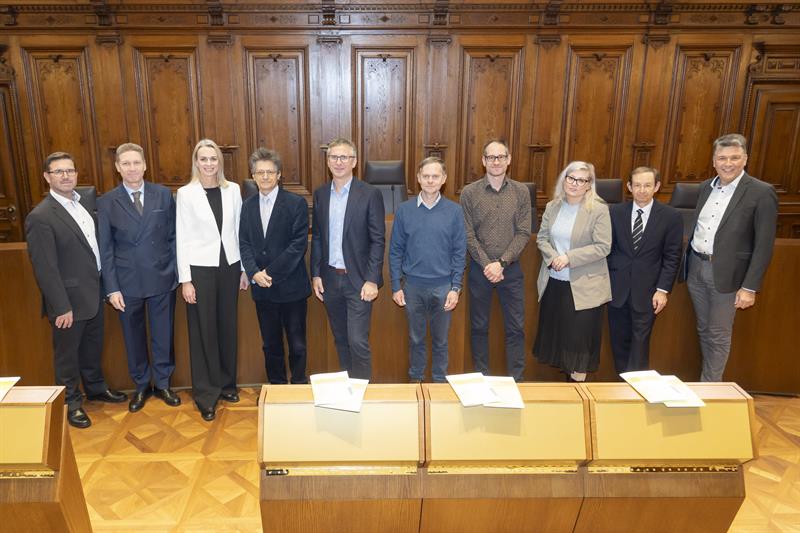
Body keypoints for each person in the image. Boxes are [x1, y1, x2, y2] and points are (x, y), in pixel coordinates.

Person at [25, 152, 127, 428]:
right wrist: (61, 306)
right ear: (47, 177)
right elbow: (45, 269)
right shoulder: (41, 216)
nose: (66, 175)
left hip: (93, 294)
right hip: (68, 301)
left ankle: (95, 388)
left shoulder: (82, 206)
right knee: (67, 356)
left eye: (70, 170)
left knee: (92, 348)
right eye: (58, 172)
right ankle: (71, 402)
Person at [685, 133, 778, 382]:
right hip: (696, 268)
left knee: (718, 334)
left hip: (728, 277)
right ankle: (708, 382)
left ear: (745, 159)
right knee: (704, 329)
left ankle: (710, 389)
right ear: (714, 161)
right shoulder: (705, 187)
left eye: (735, 157)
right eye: (722, 158)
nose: (728, 163)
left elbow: (764, 246)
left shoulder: (761, 192)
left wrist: (749, 287)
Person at [97, 143, 180, 412]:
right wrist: (111, 288)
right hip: (126, 282)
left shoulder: (163, 195)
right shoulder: (106, 202)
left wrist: (177, 273)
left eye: (136, 163)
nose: (132, 168)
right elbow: (105, 249)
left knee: (163, 333)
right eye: (126, 164)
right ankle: (142, 385)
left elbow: (174, 237)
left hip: (161, 276)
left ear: (145, 165)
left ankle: (164, 382)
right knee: (133, 337)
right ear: (118, 168)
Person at [176, 139, 249, 421]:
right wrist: (186, 280)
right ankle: (206, 393)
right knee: (203, 330)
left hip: (229, 267)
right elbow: (182, 238)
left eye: (213, 159)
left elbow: (239, 231)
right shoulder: (185, 194)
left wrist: (243, 268)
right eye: (203, 159)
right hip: (200, 271)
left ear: (220, 161)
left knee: (227, 327)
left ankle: (227, 383)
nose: (209, 164)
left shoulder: (233, 190)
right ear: (196, 162)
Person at [310, 137, 385, 380]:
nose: (339, 162)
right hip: (331, 279)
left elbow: (377, 240)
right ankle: (347, 393)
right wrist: (316, 274)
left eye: (344, 157)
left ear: (354, 161)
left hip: (358, 281)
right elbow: (319, 236)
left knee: (357, 341)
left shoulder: (370, 194)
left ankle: (363, 393)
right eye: (334, 157)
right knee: (341, 339)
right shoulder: (321, 194)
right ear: (327, 161)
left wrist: (372, 280)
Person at [389, 157, 466, 383]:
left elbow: (459, 252)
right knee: (415, 339)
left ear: (444, 179)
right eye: (426, 176)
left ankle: (440, 382)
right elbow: (395, 251)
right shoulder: (404, 210)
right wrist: (396, 285)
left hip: (443, 287)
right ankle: (416, 381)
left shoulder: (454, 211)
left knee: (441, 341)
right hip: (412, 287)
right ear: (418, 178)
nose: (430, 180)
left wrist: (456, 287)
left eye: (435, 176)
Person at [533, 161, 611, 382]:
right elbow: (542, 238)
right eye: (571, 178)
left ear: (589, 185)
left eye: (581, 180)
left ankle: (578, 400)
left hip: (584, 289)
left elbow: (603, 246)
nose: (575, 184)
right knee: (561, 345)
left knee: (578, 349)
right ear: (564, 179)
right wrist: (553, 258)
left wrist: (568, 258)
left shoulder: (598, 210)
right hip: (555, 285)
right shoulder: (552, 206)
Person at [460, 139, 531, 381]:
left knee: (516, 329)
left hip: (510, 271)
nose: (496, 162)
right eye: (491, 157)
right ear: (484, 161)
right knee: (479, 328)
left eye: (501, 157)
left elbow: (523, 232)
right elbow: (467, 234)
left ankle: (517, 380)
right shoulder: (469, 193)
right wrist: (487, 264)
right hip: (480, 271)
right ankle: (481, 378)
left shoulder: (521, 191)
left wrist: (501, 263)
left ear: (509, 159)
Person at [239, 148, 311, 384]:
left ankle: (298, 385)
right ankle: (278, 387)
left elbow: (297, 246)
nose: (266, 177)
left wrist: (268, 273)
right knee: (270, 345)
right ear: (253, 175)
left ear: (279, 175)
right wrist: (253, 273)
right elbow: (245, 243)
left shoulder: (296, 204)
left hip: (291, 288)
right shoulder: (247, 206)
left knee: (297, 344)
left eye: (270, 172)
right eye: (260, 172)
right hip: (263, 290)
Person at [607, 167, 683, 374]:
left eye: (647, 185)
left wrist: (663, 290)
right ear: (629, 187)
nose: (642, 190)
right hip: (617, 290)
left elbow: (672, 257)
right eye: (637, 185)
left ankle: (636, 391)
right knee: (619, 342)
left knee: (640, 343)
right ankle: (622, 386)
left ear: (657, 187)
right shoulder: (614, 212)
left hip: (648, 291)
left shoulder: (671, 216)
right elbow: (608, 250)